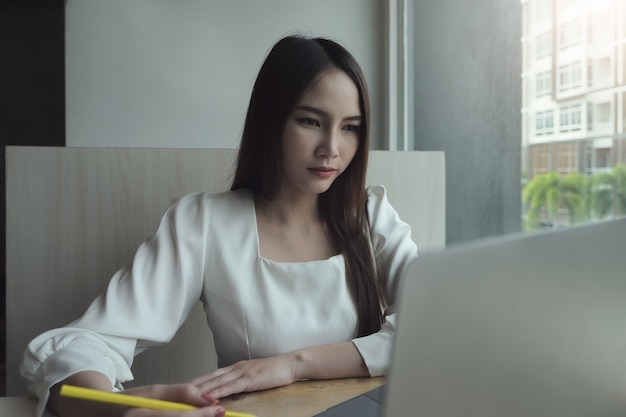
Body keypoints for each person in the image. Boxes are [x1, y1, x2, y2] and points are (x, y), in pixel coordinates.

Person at [20, 35, 418, 417]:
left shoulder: (371, 217)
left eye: (350, 127)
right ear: (271, 120)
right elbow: (85, 343)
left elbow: (429, 331)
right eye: (311, 121)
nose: (331, 147)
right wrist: (121, 408)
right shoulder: (205, 223)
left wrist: (295, 364)